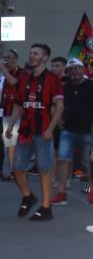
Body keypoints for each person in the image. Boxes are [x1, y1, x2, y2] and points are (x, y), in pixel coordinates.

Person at [4, 44, 64, 221]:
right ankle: (28, 196)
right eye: (30, 53)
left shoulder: (52, 79)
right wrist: (11, 125)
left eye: (36, 53)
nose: (31, 56)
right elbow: (18, 103)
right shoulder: (24, 78)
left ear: (45, 57)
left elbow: (59, 106)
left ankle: (46, 208)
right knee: (17, 169)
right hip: (25, 131)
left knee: (45, 170)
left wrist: (50, 129)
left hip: (43, 131)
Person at [53, 58, 93, 206]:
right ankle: (61, 193)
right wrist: (57, 121)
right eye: (71, 69)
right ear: (67, 72)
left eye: (78, 68)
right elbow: (54, 106)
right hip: (68, 131)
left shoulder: (91, 86)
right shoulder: (64, 87)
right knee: (63, 160)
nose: (75, 72)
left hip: (88, 130)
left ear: (83, 70)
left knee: (89, 162)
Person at [0, 48, 22, 182]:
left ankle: (16, 171)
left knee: (15, 143)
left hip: (17, 113)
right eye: (5, 57)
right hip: (7, 112)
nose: (6, 60)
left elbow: (15, 83)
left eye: (8, 57)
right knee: (10, 144)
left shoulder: (20, 73)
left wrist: (3, 69)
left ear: (15, 59)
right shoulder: (6, 74)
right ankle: (13, 171)